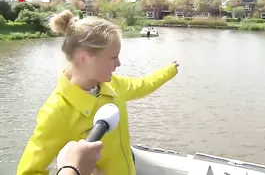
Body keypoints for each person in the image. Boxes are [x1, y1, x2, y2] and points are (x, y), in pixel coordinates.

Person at [17, 10, 179, 175]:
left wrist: (170, 70)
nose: (118, 63)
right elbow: (28, 171)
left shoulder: (114, 85)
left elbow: (142, 85)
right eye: (113, 57)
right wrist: (74, 171)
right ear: (85, 58)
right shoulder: (57, 111)